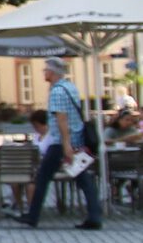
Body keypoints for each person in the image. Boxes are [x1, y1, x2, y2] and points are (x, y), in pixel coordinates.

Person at [19, 59, 103, 229]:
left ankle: (33, 216)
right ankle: (95, 215)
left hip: (61, 142)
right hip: (76, 138)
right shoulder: (70, 87)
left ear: (53, 72)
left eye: (46, 70)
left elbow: (62, 119)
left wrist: (66, 146)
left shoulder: (57, 92)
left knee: (42, 178)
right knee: (83, 178)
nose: (44, 73)